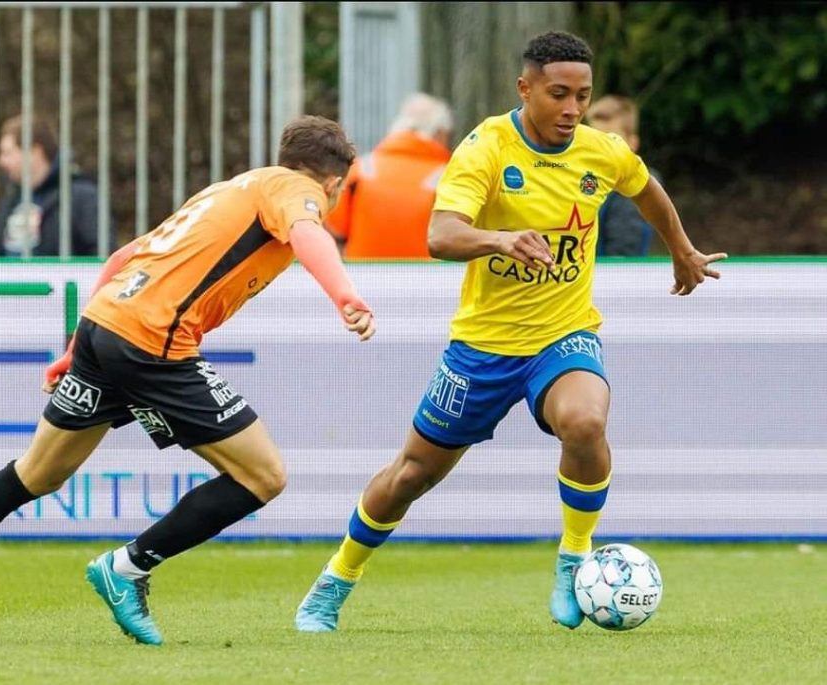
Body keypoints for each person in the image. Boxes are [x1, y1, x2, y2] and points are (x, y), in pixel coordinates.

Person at [0, 115, 376, 645]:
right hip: (152, 342)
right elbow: (307, 232)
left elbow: (124, 257)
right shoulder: (297, 190)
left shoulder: (231, 189)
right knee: (263, 476)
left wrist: (76, 345)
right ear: (332, 183)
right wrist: (345, 295)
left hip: (105, 326)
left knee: (34, 474)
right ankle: (128, 567)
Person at [295, 31, 727, 633]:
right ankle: (335, 580)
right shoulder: (487, 148)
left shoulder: (600, 152)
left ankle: (573, 559)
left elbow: (644, 187)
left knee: (585, 421)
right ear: (525, 89)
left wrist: (680, 249)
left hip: (563, 334)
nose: (572, 109)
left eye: (582, 96)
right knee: (412, 474)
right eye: (558, 94)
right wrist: (499, 239)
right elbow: (440, 235)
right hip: (483, 348)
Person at [325, 93, 452, 259]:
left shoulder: (360, 169)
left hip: (362, 272)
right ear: (439, 133)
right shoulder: (449, 177)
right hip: (426, 274)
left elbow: (335, 228)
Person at [0, 115, 114, 257]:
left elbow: (104, 255)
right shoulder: (11, 200)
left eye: (8, 153)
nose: (2, 161)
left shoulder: (82, 197)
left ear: (34, 151)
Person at [584, 95, 662, 256]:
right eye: (593, 141)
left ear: (632, 143)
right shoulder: (585, 180)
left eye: (609, 141)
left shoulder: (631, 189)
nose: (599, 150)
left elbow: (623, 257)